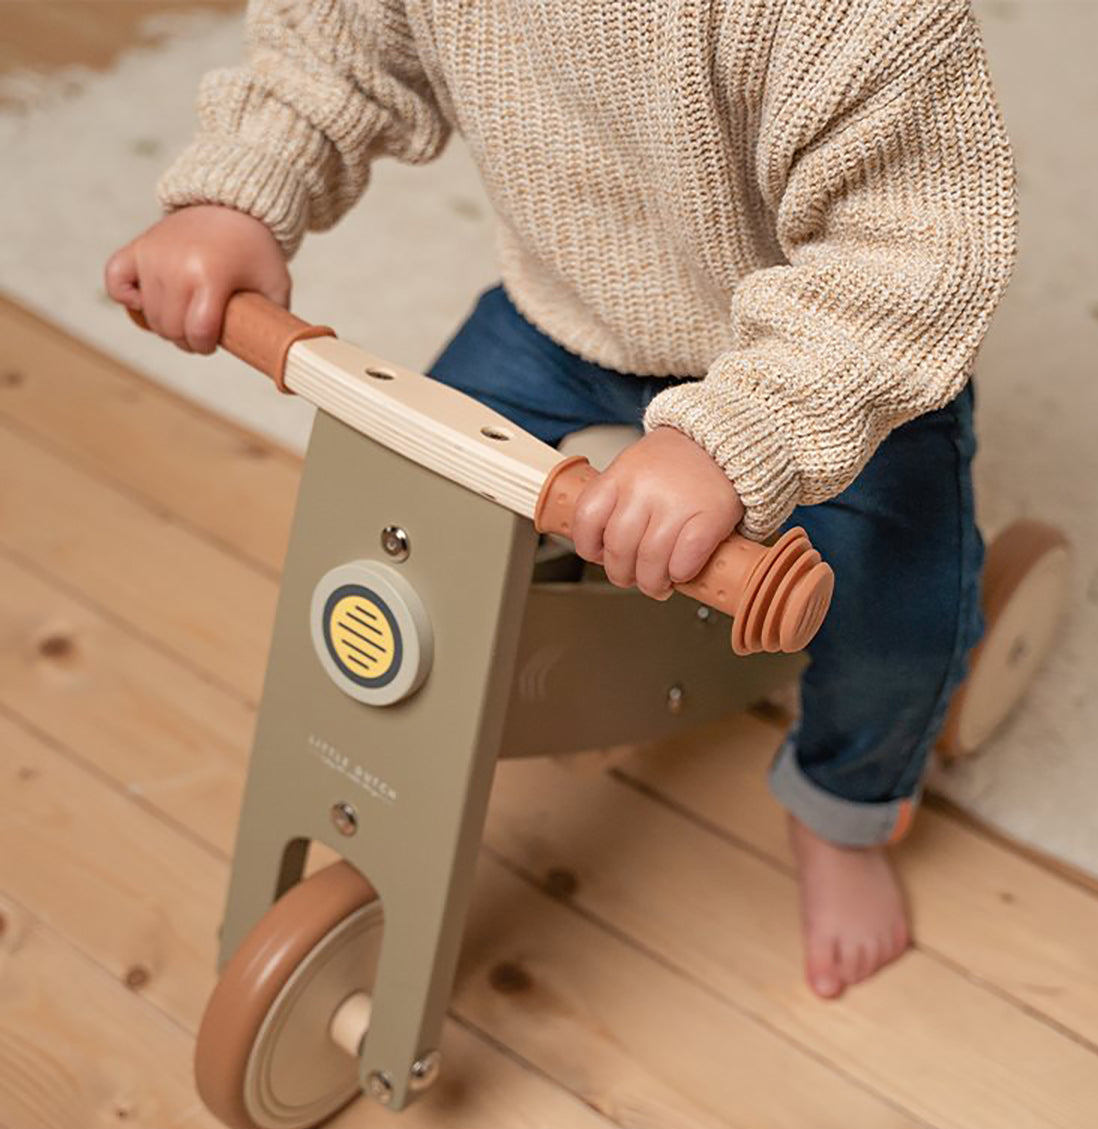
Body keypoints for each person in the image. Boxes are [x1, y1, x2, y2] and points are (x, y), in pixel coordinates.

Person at [105, 0, 1016, 998]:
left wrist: (738, 436)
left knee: (895, 606)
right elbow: (338, 45)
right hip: (566, 314)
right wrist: (239, 191)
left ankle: (845, 808)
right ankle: (430, 725)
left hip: (808, 349)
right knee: (398, 513)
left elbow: (915, 257)